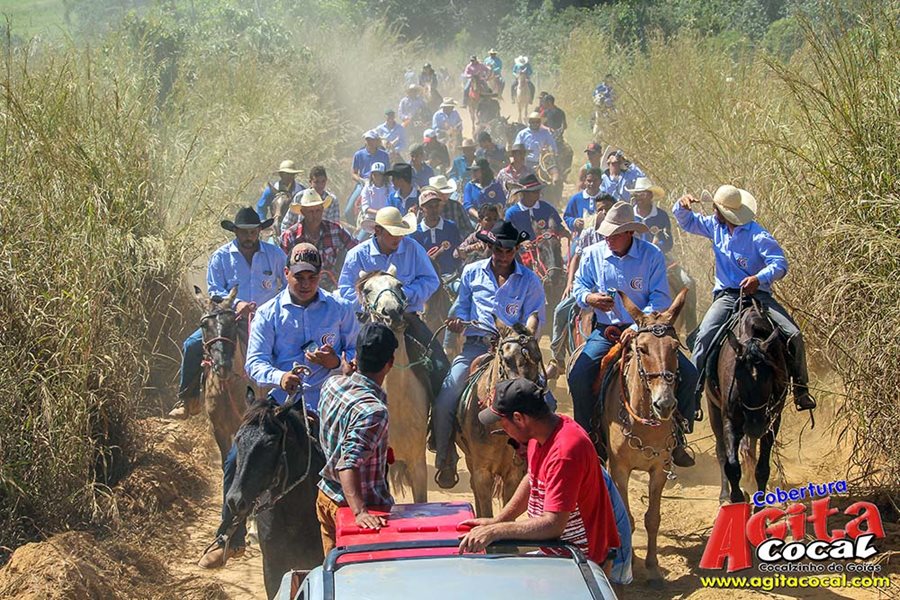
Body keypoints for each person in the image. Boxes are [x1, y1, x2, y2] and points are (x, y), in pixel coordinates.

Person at [198, 243, 356, 568]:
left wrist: (336, 361)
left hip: (331, 404)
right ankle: (230, 533)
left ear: (320, 276)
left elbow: (358, 354)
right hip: (281, 406)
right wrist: (280, 376)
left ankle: (366, 528)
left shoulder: (339, 309)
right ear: (286, 274)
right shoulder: (269, 312)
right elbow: (254, 363)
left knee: (361, 453)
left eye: (311, 276)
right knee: (236, 457)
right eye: (298, 276)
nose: (305, 282)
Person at [567, 202, 698, 467]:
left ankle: (679, 433)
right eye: (606, 234)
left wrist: (637, 325)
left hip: (649, 329)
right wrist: (590, 297)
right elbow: (578, 286)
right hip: (608, 330)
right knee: (578, 374)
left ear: (630, 233)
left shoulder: (651, 255)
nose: (608, 239)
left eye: (614, 234)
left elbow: (660, 297)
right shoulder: (593, 254)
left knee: (689, 372)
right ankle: (588, 436)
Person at [673, 186, 816, 411]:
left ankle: (801, 389)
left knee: (794, 335)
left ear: (725, 212)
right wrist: (681, 205)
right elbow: (687, 222)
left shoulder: (758, 235)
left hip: (758, 295)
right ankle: (694, 393)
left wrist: (758, 279)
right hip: (727, 296)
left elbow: (779, 264)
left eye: (716, 208)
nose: (713, 211)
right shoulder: (715, 226)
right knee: (703, 338)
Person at [457, 378, 621, 571]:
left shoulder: (565, 452)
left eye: (502, 421)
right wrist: (499, 519)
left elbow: (553, 524)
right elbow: (532, 479)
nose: (502, 429)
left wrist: (496, 531)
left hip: (581, 560)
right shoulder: (540, 435)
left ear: (519, 418)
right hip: (555, 550)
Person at [433, 221, 546, 488]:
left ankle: (543, 460)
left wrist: (518, 341)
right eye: (498, 249)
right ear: (490, 247)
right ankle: (445, 456)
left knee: (545, 401)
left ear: (517, 249)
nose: (503, 255)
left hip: (516, 353)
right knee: (445, 398)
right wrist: (458, 320)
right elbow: (461, 307)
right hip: (477, 347)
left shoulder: (530, 280)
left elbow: (535, 318)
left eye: (508, 250)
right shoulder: (471, 273)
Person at [170, 208, 287, 420]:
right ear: (235, 231)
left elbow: (288, 285)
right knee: (192, 344)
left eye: (253, 232)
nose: (249, 237)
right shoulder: (221, 256)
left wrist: (275, 307)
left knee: (293, 346)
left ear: (260, 231)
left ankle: (295, 399)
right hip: (230, 318)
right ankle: (188, 400)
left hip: (270, 320)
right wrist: (238, 304)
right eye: (244, 232)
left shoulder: (276, 255)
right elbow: (215, 290)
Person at [338, 207, 449, 397]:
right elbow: (345, 290)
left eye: (401, 233)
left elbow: (431, 280)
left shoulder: (412, 248)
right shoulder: (358, 254)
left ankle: (439, 419)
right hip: (368, 322)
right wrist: (372, 302)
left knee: (440, 366)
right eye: (392, 233)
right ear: (378, 231)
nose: (398, 238)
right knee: (349, 367)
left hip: (407, 318)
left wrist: (401, 296)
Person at [316, 321, 397, 554]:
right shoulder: (374, 411)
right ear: (390, 363)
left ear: (356, 357)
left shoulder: (331, 384)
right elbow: (347, 463)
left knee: (335, 571)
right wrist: (360, 512)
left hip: (326, 495)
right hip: (356, 505)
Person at [546, 194, 616, 379]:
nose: (603, 212)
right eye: (600, 208)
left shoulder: (621, 233)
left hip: (613, 288)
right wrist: (570, 283)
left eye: (607, 208)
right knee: (560, 311)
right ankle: (558, 359)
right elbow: (576, 256)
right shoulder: (588, 233)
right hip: (587, 286)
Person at [280, 189, 357, 276]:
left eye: (318, 211)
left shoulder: (335, 230)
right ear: (302, 212)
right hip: (302, 284)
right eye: (310, 212)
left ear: (322, 210)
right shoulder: (290, 236)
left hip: (330, 282)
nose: (315, 215)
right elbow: (282, 266)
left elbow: (356, 249)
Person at [410, 188, 462, 278]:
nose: (434, 210)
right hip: (424, 279)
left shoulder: (450, 227)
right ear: (421, 209)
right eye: (430, 207)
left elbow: (458, 254)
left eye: (436, 206)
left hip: (450, 277)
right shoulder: (414, 233)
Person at [503, 173, 565, 240]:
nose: (538, 194)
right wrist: (521, 243)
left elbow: (558, 226)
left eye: (538, 191)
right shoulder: (512, 213)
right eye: (534, 192)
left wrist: (563, 231)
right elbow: (508, 235)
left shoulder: (547, 208)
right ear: (524, 193)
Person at [281, 165, 339, 230]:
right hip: (301, 236)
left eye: (323, 181)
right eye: (316, 182)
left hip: (324, 236)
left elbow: (334, 225)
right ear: (310, 182)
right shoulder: (299, 196)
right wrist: (286, 237)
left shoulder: (332, 200)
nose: (320, 185)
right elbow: (287, 222)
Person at [513, 112, 558, 180]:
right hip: (527, 162)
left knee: (555, 175)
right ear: (529, 122)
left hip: (544, 162)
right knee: (520, 181)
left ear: (540, 122)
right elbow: (516, 148)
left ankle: (556, 185)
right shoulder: (522, 134)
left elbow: (553, 147)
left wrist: (549, 150)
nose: (535, 124)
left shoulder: (545, 133)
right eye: (532, 122)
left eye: (537, 122)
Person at [427, 174, 473, 239]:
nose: (445, 197)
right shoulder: (426, 209)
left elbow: (468, 229)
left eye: (447, 194)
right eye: (442, 194)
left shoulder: (456, 206)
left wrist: (456, 238)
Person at [563, 167, 604, 239]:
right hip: (580, 237)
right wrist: (574, 222)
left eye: (595, 180)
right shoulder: (576, 198)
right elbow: (567, 216)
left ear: (601, 181)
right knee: (574, 250)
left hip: (602, 238)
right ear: (584, 181)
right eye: (589, 181)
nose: (592, 184)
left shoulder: (607, 199)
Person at [462, 158, 506, 222]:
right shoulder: (470, 186)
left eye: (476, 170)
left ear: (484, 170)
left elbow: (502, 200)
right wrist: (479, 216)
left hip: (494, 218)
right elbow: (467, 205)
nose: (473, 173)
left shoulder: (495, 185)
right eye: (472, 170)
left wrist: (493, 212)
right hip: (475, 219)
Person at [359, 162, 395, 227]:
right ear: (371, 175)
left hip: (386, 221)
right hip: (370, 220)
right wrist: (379, 212)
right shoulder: (367, 188)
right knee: (360, 237)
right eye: (374, 174)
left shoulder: (390, 188)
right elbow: (365, 208)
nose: (377, 177)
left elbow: (393, 204)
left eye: (379, 174)